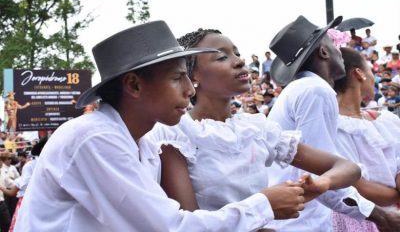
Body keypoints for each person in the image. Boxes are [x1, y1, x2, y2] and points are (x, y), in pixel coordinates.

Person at [15, 21, 305, 232]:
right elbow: (169, 227)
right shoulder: (94, 138)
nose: (191, 90)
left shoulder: (144, 142)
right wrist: (263, 206)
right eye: (177, 78)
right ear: (134, 84)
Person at [141, 28, 362, 231]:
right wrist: (264, 209)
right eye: (222, 57)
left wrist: (320, 183)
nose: (239, 61)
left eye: (237, 53)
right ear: (193, 76)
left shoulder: (256, 128)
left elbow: (348, 168)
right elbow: (189, 224)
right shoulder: (176, 133)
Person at [266, 15, 400, 232]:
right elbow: (324, 172)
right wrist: (381, 217)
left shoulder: (304, 89)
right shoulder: (315, 90)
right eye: (333, 45)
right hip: (302, 223)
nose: (340, 51)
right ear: (324, 51)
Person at [331, 46, 400, 231]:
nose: (373, 77)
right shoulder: (335, 128)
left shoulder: (387, 120)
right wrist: (395, 197)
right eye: (370, 70)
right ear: (359, 73)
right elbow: (358, 186)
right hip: (365, 220)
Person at [0, 137, 47, 232]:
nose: (10, 160)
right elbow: (19, 186)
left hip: (34, 200)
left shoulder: (15, 167)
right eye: (8, 158)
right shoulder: (30, 166)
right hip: (26, 200)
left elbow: (16, 182)